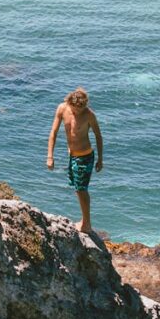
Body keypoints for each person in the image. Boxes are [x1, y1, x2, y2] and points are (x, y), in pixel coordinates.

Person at [47, 87, 103, 233]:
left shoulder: (89, 115)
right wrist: (50, 156)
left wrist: (100, 159)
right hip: (72, 156)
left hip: (85, 155)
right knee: (78, 189)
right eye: (76, 109)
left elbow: (98, 136)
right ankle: (85, 221)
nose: (79, 112)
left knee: (81, 189)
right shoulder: (62, 108)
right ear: (70, 102)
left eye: (82, 108)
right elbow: (53, 132)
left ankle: (87, 225)